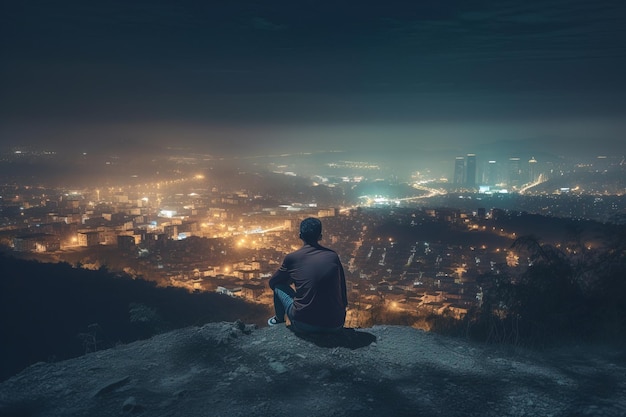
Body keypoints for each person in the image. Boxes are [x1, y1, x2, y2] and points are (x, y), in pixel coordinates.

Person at [268, 217, 348, 333]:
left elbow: (273, 283)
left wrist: (290, 279)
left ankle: (279, 320)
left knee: (278, 287)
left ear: (300, 236)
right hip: (335, 324)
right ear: (320, 236)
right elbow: (342, 287)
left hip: (304, 324)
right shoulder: (332, 256)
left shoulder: (292, 258)